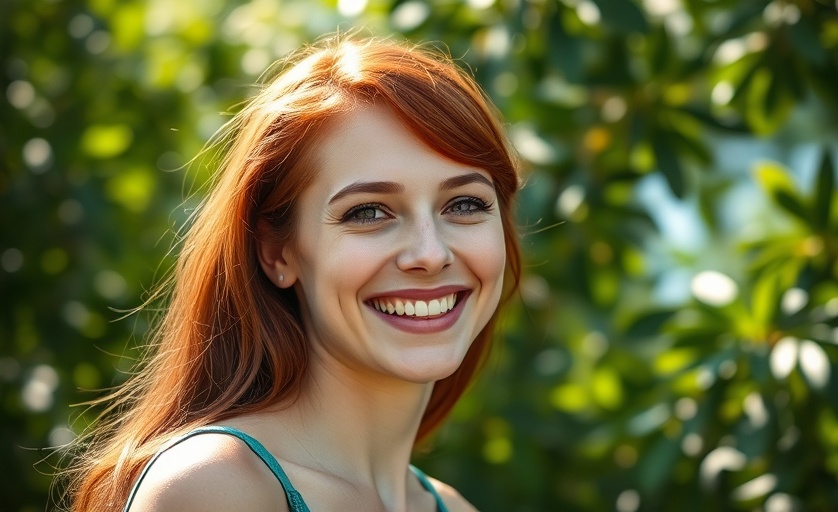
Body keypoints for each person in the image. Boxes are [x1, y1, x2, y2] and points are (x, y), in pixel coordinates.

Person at [64, 34, 522, 511]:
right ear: (277, 253)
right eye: (368, 212)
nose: (430, 253)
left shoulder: (452, 507)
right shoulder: (217, 488)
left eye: (465, 204)